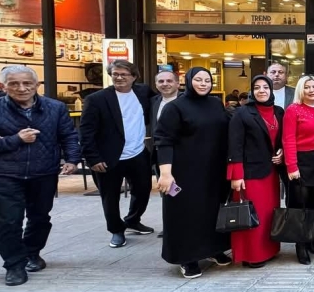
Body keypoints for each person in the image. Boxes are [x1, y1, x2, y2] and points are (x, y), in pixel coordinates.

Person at [0, 66, 80, 286]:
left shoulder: (55, 108)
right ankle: (14, 265)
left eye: (27, 83)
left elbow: (68, 135)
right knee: (8, 222)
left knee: (40, 217)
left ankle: (32, 253)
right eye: (14, 84)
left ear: (37, 85)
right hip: (6, 174)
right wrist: (15, 140)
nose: (21, 88)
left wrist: (72, 160)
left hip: (44, 172)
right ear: (4, 87)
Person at [155, 67, 233, 279]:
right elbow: (163, 141)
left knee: (212, 211)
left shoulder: (215, 104)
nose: (203, 84)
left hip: (214, 171)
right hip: (184, 172)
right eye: (198, 79)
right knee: (186, 215)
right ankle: (187, 258)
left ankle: (213, 249)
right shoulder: (175, 107)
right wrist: (165, 173)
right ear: (188, 81)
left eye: (207, 80)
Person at [79, 60, 155, 249]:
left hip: (138, 153)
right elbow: (86, 131)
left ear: (134, 77)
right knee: (110, 196)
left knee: (143, 189)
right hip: (107, 156)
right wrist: (93, 158)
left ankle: (133, 220)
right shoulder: (96, 99)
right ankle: (116, 230)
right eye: (115, 74)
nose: (119, 77)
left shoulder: (143, 92)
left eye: (124, 74)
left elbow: (162, 102)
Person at [227, 75, 284, 268]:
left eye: (265, 87)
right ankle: (252, 255)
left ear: (271, 90)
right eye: (257, 87)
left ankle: (270, 250)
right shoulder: (242, 113)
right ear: (252, 91)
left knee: (269, 214)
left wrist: (282, 153)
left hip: (271, 173)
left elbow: (281, 139)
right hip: (250, 174)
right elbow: (235, 145)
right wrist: (236, 175)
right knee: (251, 214)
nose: (261, 91)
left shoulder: (279, 111)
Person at [284, 75, 314, 264]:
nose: (312, 90)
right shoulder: (293, 109)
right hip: (301, 161)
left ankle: (310, 238)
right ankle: (300, 245)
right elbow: (288, 139)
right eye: (307, 87)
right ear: (301, 90)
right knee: (300, 205)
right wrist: (292, 166)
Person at [151, 69, 180, 240]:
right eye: (161, 81)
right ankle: (169, 226)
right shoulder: (154, 102)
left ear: (178, 83)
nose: (165, 84)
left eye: (169, 81)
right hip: (160, 157)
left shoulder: (185, 103)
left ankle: (178, 225)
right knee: (168, 192)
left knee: (181, 193)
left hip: (181, 157)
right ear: (156, 85)